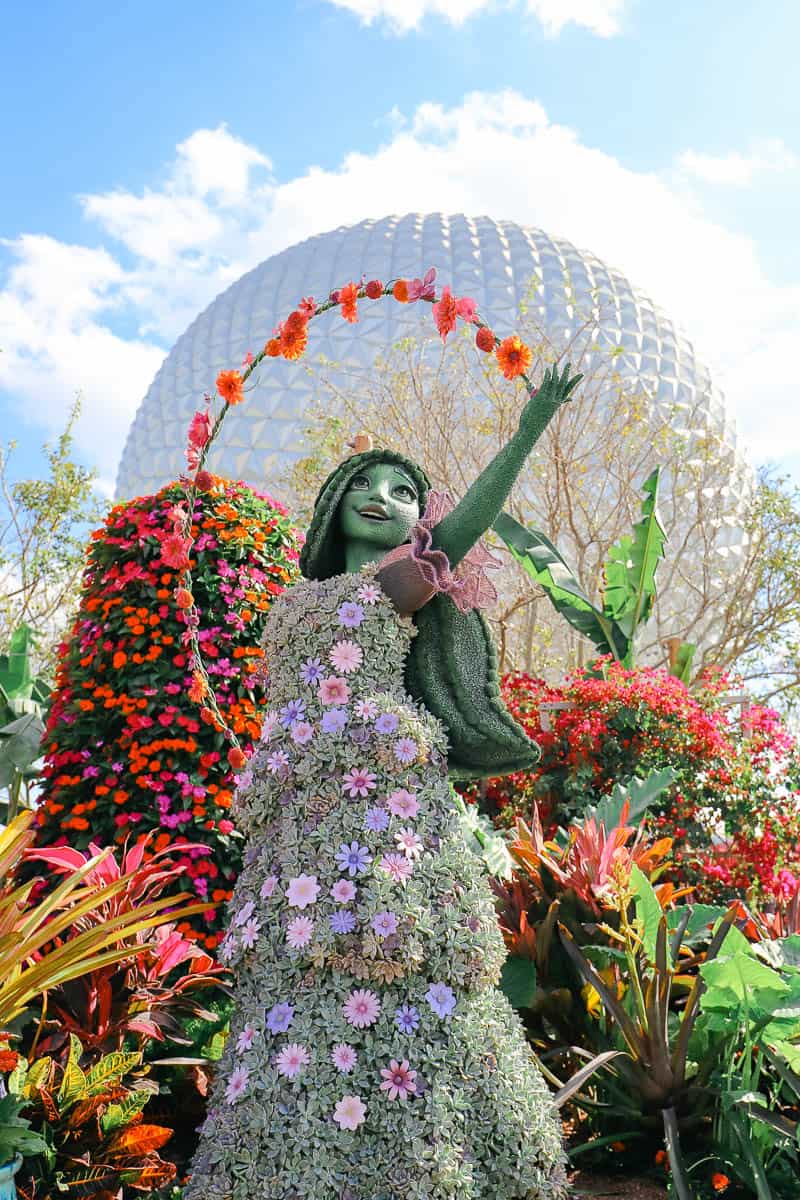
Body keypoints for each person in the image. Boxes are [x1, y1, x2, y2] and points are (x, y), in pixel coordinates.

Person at [185, 365, 581, 1200]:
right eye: (365, 482)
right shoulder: (293, 600)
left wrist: (524, 433)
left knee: (392, 953)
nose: (384, 496)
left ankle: (416, 1156)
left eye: (405, 490)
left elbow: (460, 533)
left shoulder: (391, 587)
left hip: (382, 809)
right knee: (302, 954)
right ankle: (290, 1154)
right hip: (298, 806)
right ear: (334, 503)